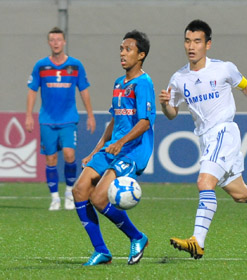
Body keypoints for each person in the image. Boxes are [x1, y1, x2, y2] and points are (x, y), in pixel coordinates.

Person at [159, 19, 247, 260]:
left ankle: (197, 241)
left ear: (208, 44)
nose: (191, 46)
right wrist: (165, 104)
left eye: (197, 41)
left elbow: (244, 85)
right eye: (187, 41)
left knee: (205, 182)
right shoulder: (179, 78)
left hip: (224, 132)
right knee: (241, 194)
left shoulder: (224, 68)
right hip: (207, 139)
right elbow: (172, 114)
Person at [72, 30, 155, 266]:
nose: (122, 53)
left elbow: (144, 121)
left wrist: (121, 142)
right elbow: (114, 121)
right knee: (79, 190)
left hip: (133, 150)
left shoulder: (144, 83)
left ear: (141, 55)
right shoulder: (119, 83)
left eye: (128, 49)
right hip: (112, 147)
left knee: (99, 198)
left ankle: (137, 237)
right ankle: (101, 251)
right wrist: (95, 150)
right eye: (121, 48)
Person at [26, 27, 96, 211]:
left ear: (64, 42)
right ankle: (54, 198)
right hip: (47, 120)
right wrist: (29, 115)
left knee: (69, 155)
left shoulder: (75, 65)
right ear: (49, 43)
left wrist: (90, 115)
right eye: (52, 40)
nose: (55, 42)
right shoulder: (41, 66)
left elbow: (84, 90)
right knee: (50, 159)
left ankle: (69, 193)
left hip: (68, 119)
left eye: (58, 39)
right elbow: (33, 90)